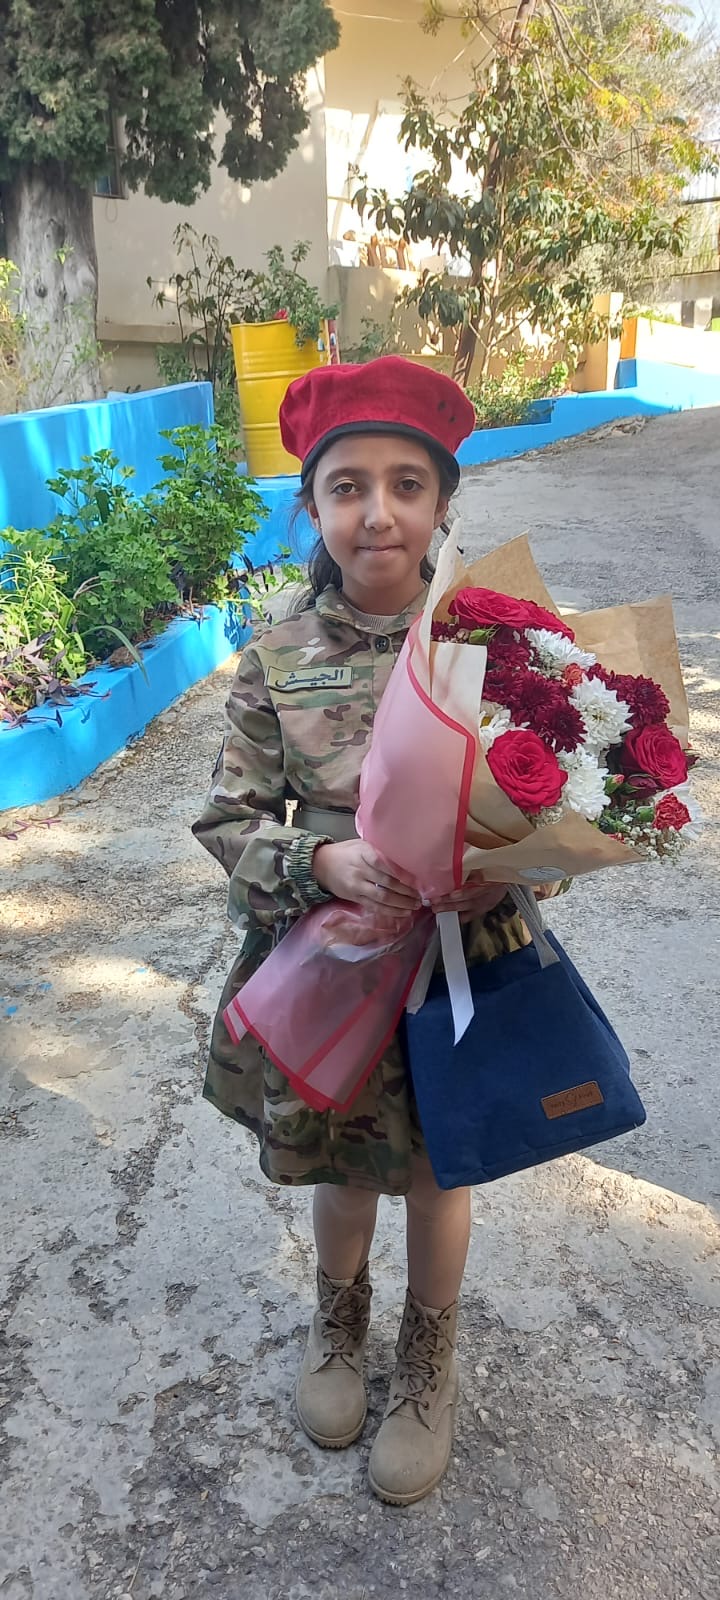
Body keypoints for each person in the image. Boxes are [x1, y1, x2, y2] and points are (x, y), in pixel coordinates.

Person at [192, 355, 529, 1506]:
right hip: (334, 961)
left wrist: (503, 874)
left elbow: (566, 797)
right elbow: (227, 818)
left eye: (405, 484)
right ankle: (339, 1326)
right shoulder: (278, 657)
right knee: (340, 1165)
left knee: (440, 1167)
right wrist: (318, 859)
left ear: (443, 501)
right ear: (313, 508)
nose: (377, 512)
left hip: (457, 959)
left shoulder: (498, 640)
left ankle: (429, 1359)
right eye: (347, 487)